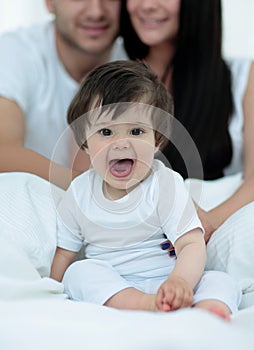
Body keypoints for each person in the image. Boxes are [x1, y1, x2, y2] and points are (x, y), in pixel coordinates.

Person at [50, 60, 241, 320]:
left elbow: (190, 243)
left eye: (136, 131)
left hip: (169, 281)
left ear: (157, 140)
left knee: (220, 280)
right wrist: (51, 292)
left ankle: (206, 311)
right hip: (116, 286)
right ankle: (147, 305)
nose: (120, 143)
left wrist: (180, 282)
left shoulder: (165, 184)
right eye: (105, 131)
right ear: (84, 142)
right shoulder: (79, 192)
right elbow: (64, 252)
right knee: (79, 273)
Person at [120, 0, 254, 243]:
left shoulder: (244, 78)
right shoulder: (109, 81)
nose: (147, 5)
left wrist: (207, 223)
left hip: (217, 231)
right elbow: (88, 179)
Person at [0, 0, 126, 189]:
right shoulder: (15, 52)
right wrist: (90, 191)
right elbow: (4, 151)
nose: (96, 11)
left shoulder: (133, 63)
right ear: (49, 3)